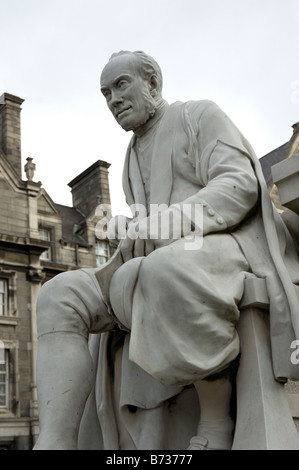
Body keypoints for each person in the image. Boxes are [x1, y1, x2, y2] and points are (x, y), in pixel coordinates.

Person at [33, 50, 299, 451]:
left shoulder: (199, 115)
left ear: (153, 83)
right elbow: (146, 222)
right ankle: (55, 441)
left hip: (224, 241)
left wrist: (165, 223)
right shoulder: (130, 158)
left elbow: (239, 184)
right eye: (105, 93)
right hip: (156, 253)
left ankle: (215, 419)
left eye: (121, 85)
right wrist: (130, 227)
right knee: (59, 294)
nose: (113, 100)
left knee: (164, 271)